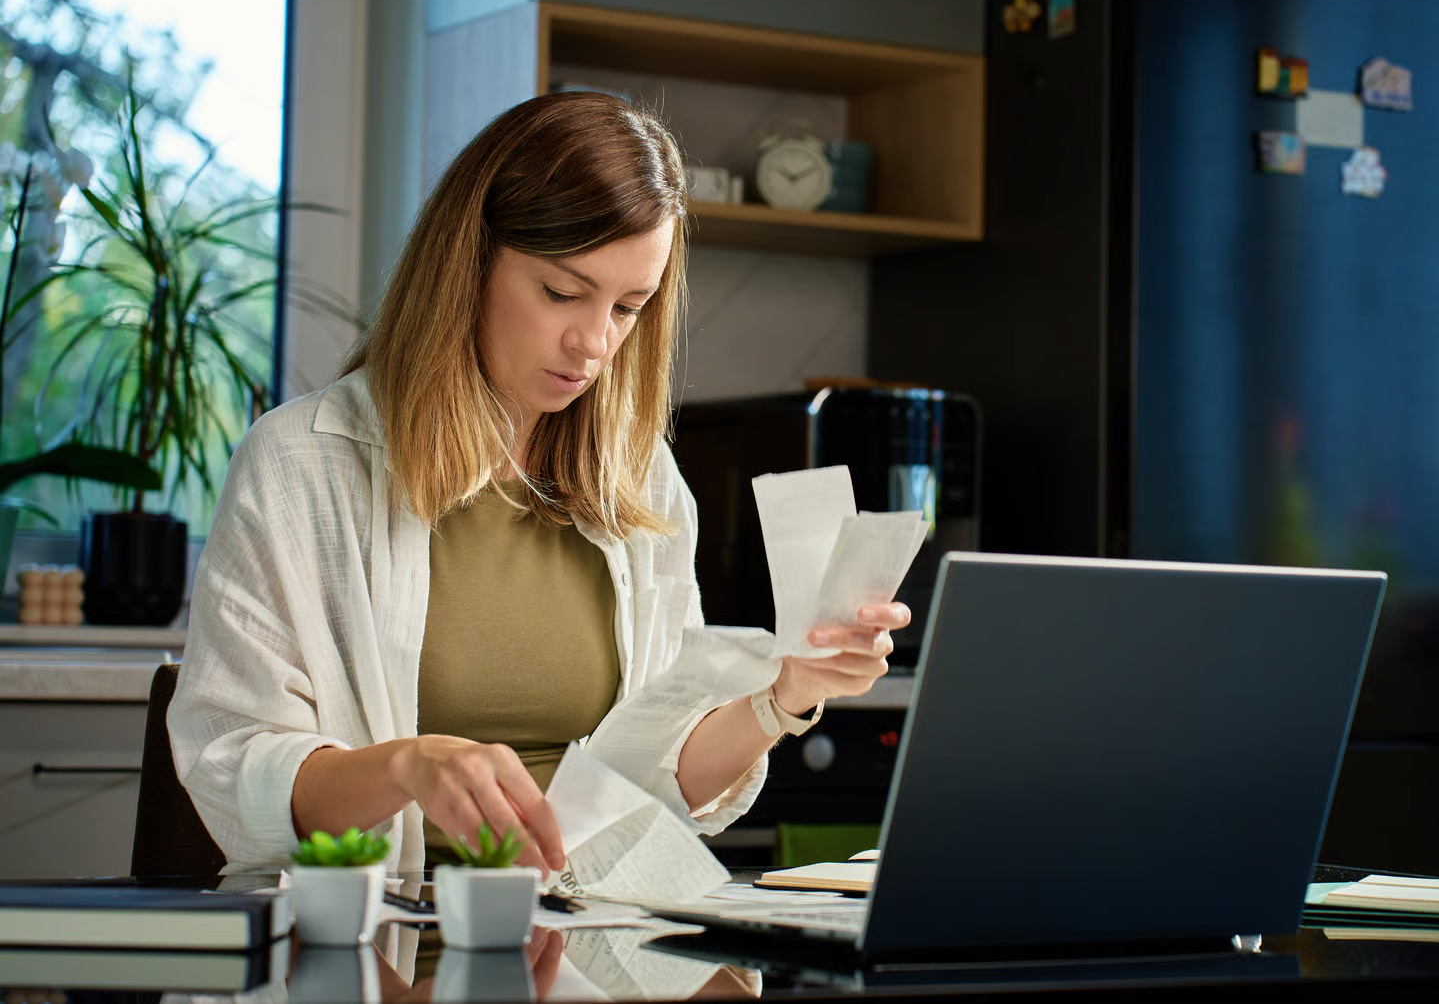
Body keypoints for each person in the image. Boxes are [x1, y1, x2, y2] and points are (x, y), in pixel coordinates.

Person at [168, 92, 910, 874]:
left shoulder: (641, 481)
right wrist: (403, 768)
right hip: (377, 948)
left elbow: (655, 785)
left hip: (586, 950)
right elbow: (231, 770)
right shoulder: (302, 466)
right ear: (469, 262)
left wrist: (785, 694)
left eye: (629, 307)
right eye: (562, 292)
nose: (593, 342)